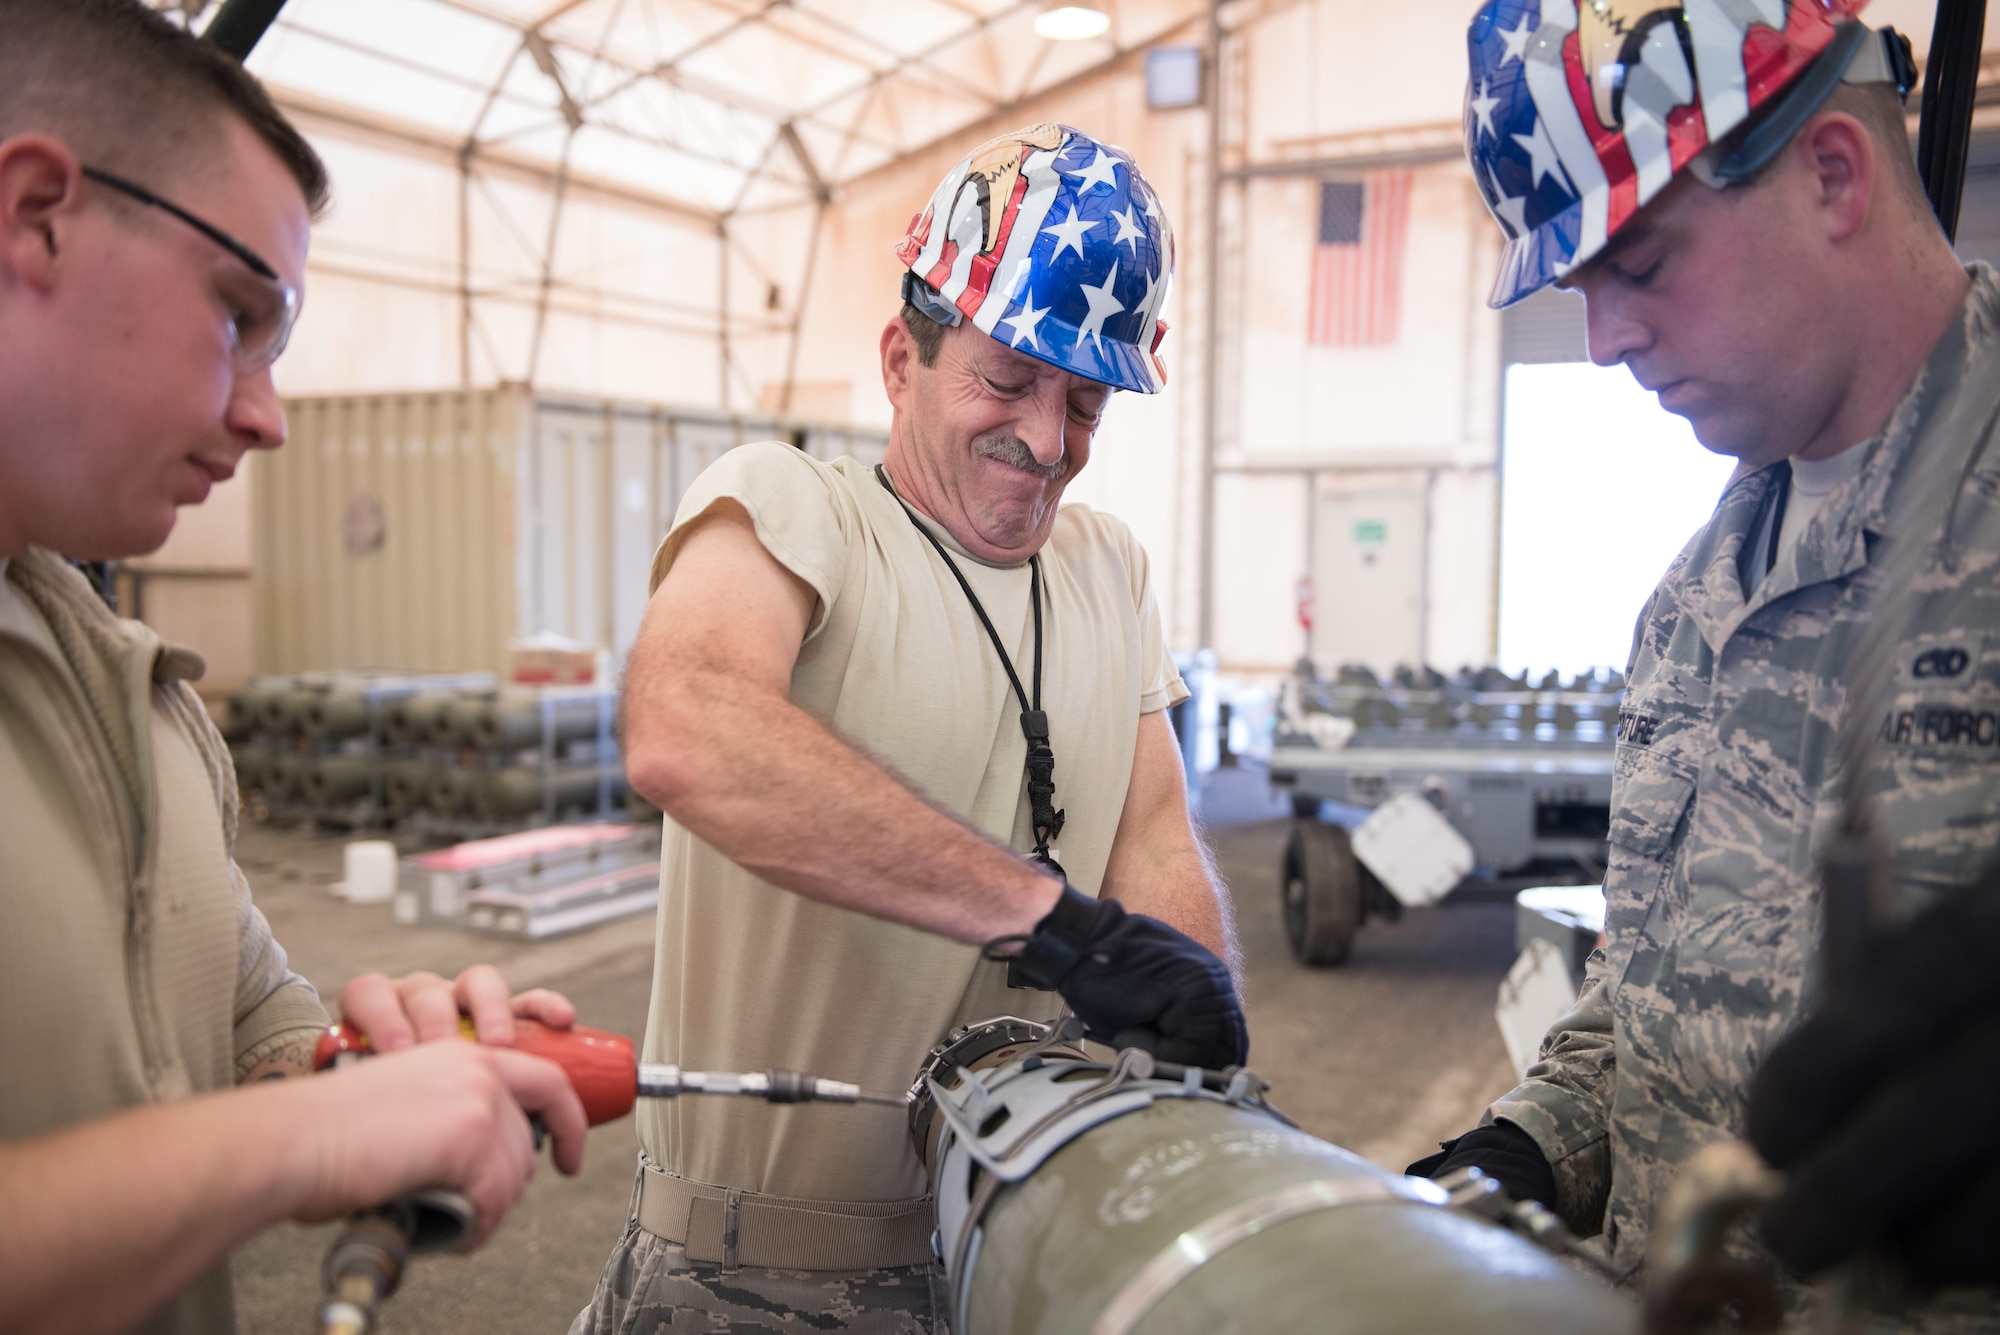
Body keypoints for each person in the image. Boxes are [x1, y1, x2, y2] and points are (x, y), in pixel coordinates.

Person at [577, 123, 1246, 1333]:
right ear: (902, 359)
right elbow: (688, 722)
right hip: (754, 1280)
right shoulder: (793, 509)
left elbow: (1152, 836)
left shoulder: (1107, 569)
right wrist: (1047, 922)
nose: (1047, 443)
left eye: (1084, 401)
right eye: (1006, 379)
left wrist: (1209, 1065)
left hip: (1014, 1256)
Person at [0, 5, 589, 1332]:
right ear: (35, 213)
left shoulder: (119, 679)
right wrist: (311, 1142)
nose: (268, 412)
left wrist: (353, 1066)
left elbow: (239, 1022)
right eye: (237, 312)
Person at [1414, 0, 2000, 1326]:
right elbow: (1651, 991)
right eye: (1580, 290)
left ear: (1833, 175)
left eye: (1642, 263)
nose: (1605, 338)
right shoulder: (1695, 599)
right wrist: (1522, 1150)